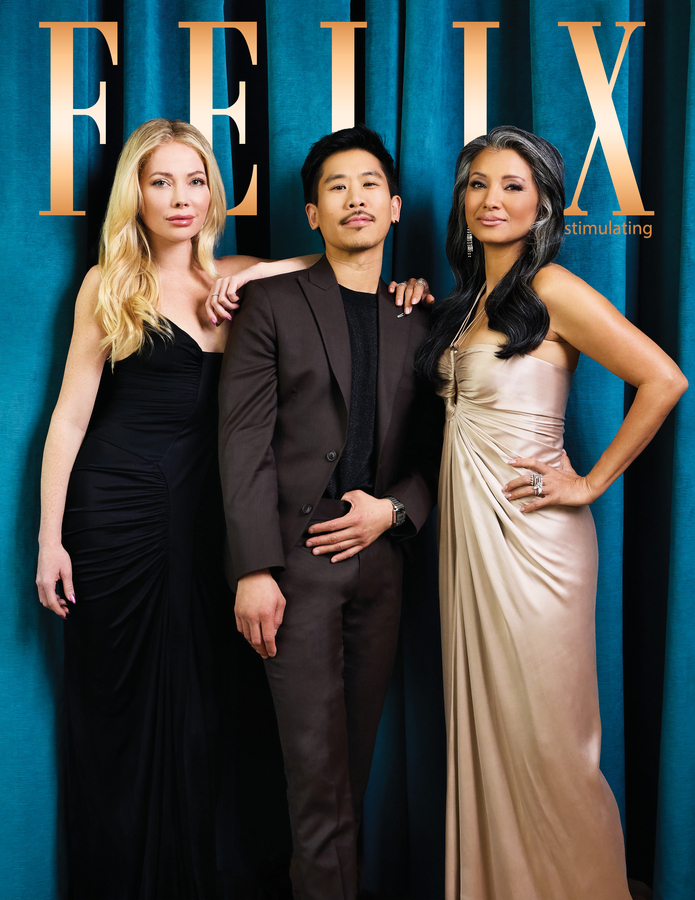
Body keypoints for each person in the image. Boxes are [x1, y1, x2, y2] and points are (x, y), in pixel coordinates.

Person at [34, 117, 430, 899]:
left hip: (214, 519)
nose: (179, 197)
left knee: (214, 716)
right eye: (160, 181)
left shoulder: (248, 278)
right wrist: (49, 539)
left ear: (214, 193)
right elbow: (71, 417)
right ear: (136, 196)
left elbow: (335, 263)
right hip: (119, 515)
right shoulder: (109, 283)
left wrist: (403, 287)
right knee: (123, 714)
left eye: (194, 180)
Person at [416, 125, 687, 900]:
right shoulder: (464, 302)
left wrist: (590, 482)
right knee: (493, 731)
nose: (489, 199)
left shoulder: (554, 288)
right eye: (476, 184)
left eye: (511, 185)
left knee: (547, 741)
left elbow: (663, 379)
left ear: (541, 205)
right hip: (469, 543)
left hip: (534, 543)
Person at [218, 123, 443, 900]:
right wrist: (254, 569)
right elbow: (242, 444)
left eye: (369, 184)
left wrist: (393, 512)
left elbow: (439, 454)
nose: (355, 198)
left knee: (352, 770)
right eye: (336, 187)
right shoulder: (271, 304)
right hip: (294, 568)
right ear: (313, 213)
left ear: (395, 206)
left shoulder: (420, 315)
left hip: (381, 566)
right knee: (315, 779)